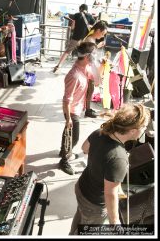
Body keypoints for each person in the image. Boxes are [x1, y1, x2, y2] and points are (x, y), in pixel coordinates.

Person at [69, 103, 150, 235]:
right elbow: (110, 194)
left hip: (81, 188)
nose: (145, 130)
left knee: (81, 218)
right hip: (94, 203)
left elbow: (85, 148)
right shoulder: (119, 158)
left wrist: (105, 159)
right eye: (144, 127)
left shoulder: (100, 132)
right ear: (132, 131)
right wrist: (115, 222)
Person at [58, 42, 97, 175]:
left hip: (78, 107)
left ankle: (63, 151)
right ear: (87, 57)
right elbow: (66, 99)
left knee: (68, 134)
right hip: (72, 111)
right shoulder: (74, 75)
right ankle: (64, 160)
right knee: (73, 138)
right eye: (94, 55)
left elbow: (96, 79)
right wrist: (68, 118)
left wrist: (101, 65)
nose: (95, 57)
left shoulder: (84, 68)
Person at [53, 4, 95, 73]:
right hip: (84, 39)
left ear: (80, 9)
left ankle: (58, 65)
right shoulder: (90, 16)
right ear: (86, 9)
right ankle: (84, 70)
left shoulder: (76, 15)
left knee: (67, 52)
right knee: (84, 54)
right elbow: (94, 25)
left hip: (76, 38)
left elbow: (72, 27)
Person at [83, 20, 108, 118]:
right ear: (97, 30)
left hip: (88, 67)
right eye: (102, 33)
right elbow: (90, 58)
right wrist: (101, 61)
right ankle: (87, 110)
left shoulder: (91, 39)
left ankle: (87, 108)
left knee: (90, 89)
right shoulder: (90, 40)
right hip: (87, 68)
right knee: (90, 90)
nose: (102, 36)